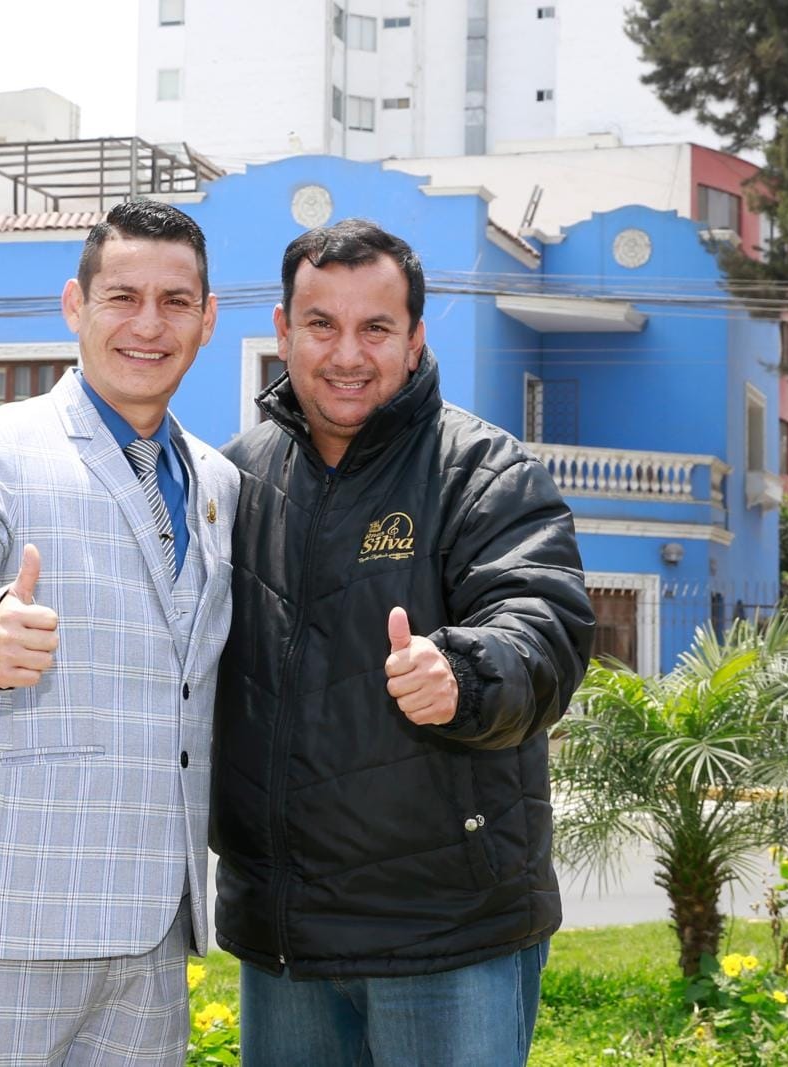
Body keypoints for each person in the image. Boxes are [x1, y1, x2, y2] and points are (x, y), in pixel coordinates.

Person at [211, 218, 596, 1066]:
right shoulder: (234, 478)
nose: (347, 354)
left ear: (415, 337)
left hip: (448, 932)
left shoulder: (485, 471)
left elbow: (546, 624)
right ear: (282, 329)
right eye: (321, 324)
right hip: (285, 939)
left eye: (376, 327)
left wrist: (464, 673)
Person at [0, 199, 238, 1066]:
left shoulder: (219, 481)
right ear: (76, 306)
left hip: (152, 938)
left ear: (207, 319)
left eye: (175, 302)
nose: (148, 325)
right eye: (122, 297)